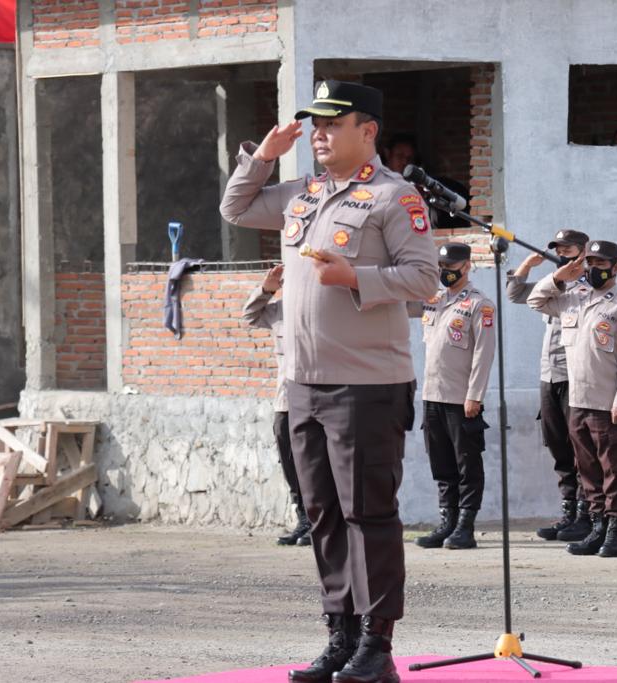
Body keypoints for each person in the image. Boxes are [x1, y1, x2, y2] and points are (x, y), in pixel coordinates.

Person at [220, 80, 439, 683]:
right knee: (322, 514)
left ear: (366, 132)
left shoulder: (396, 198)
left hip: (366, 384)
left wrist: (355, 276)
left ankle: (377, 644)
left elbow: (424, 280)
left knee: (368, 514)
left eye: (332, 123)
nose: (318, 133)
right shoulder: (302, 193)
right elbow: (235, 208)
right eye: (313, 124)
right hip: (303, 384)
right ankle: (340, 635)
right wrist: (264, 155)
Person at [527, 240, 617, 557]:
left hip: (607, 402)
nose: (594, 269)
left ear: (616, 267)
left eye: (600, 263)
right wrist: (560, 276)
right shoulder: (571, 299)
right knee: (587, 468)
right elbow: (536, 300)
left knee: (615, 468)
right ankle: (597, 526)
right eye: (589, 263)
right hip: (576, 400)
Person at [506, 229, 593, 543]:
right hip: (549, 375)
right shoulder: (552, 285)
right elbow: (516, 295)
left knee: (580, 446)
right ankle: (569, 511)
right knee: (558, 446)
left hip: (575, 375)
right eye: (558, 249)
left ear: (582, 252)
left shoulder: (589, 286)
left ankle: (587, 513)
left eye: (567, 249)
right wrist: (527, 266)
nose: (561, 254)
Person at [414, 243, 495, 551]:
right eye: (441, 267)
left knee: (467, 464)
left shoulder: (479, 304)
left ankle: (465, 526)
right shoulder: (433, 301)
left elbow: (483, 355)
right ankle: (447, 521)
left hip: (462, 399)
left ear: (466, 267)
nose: (445, 272)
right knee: (442, 462)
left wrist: (475, 396)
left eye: (451, 267)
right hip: (432, 395)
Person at [241, 264, 310, 547]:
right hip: (285, 401)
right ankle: (304, 519)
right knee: (291, 463)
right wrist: (266, 288)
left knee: (314, 465)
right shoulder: (277, 311)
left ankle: (321, 522)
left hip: (314, 400)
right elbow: (249, 316)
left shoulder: (317, 311)